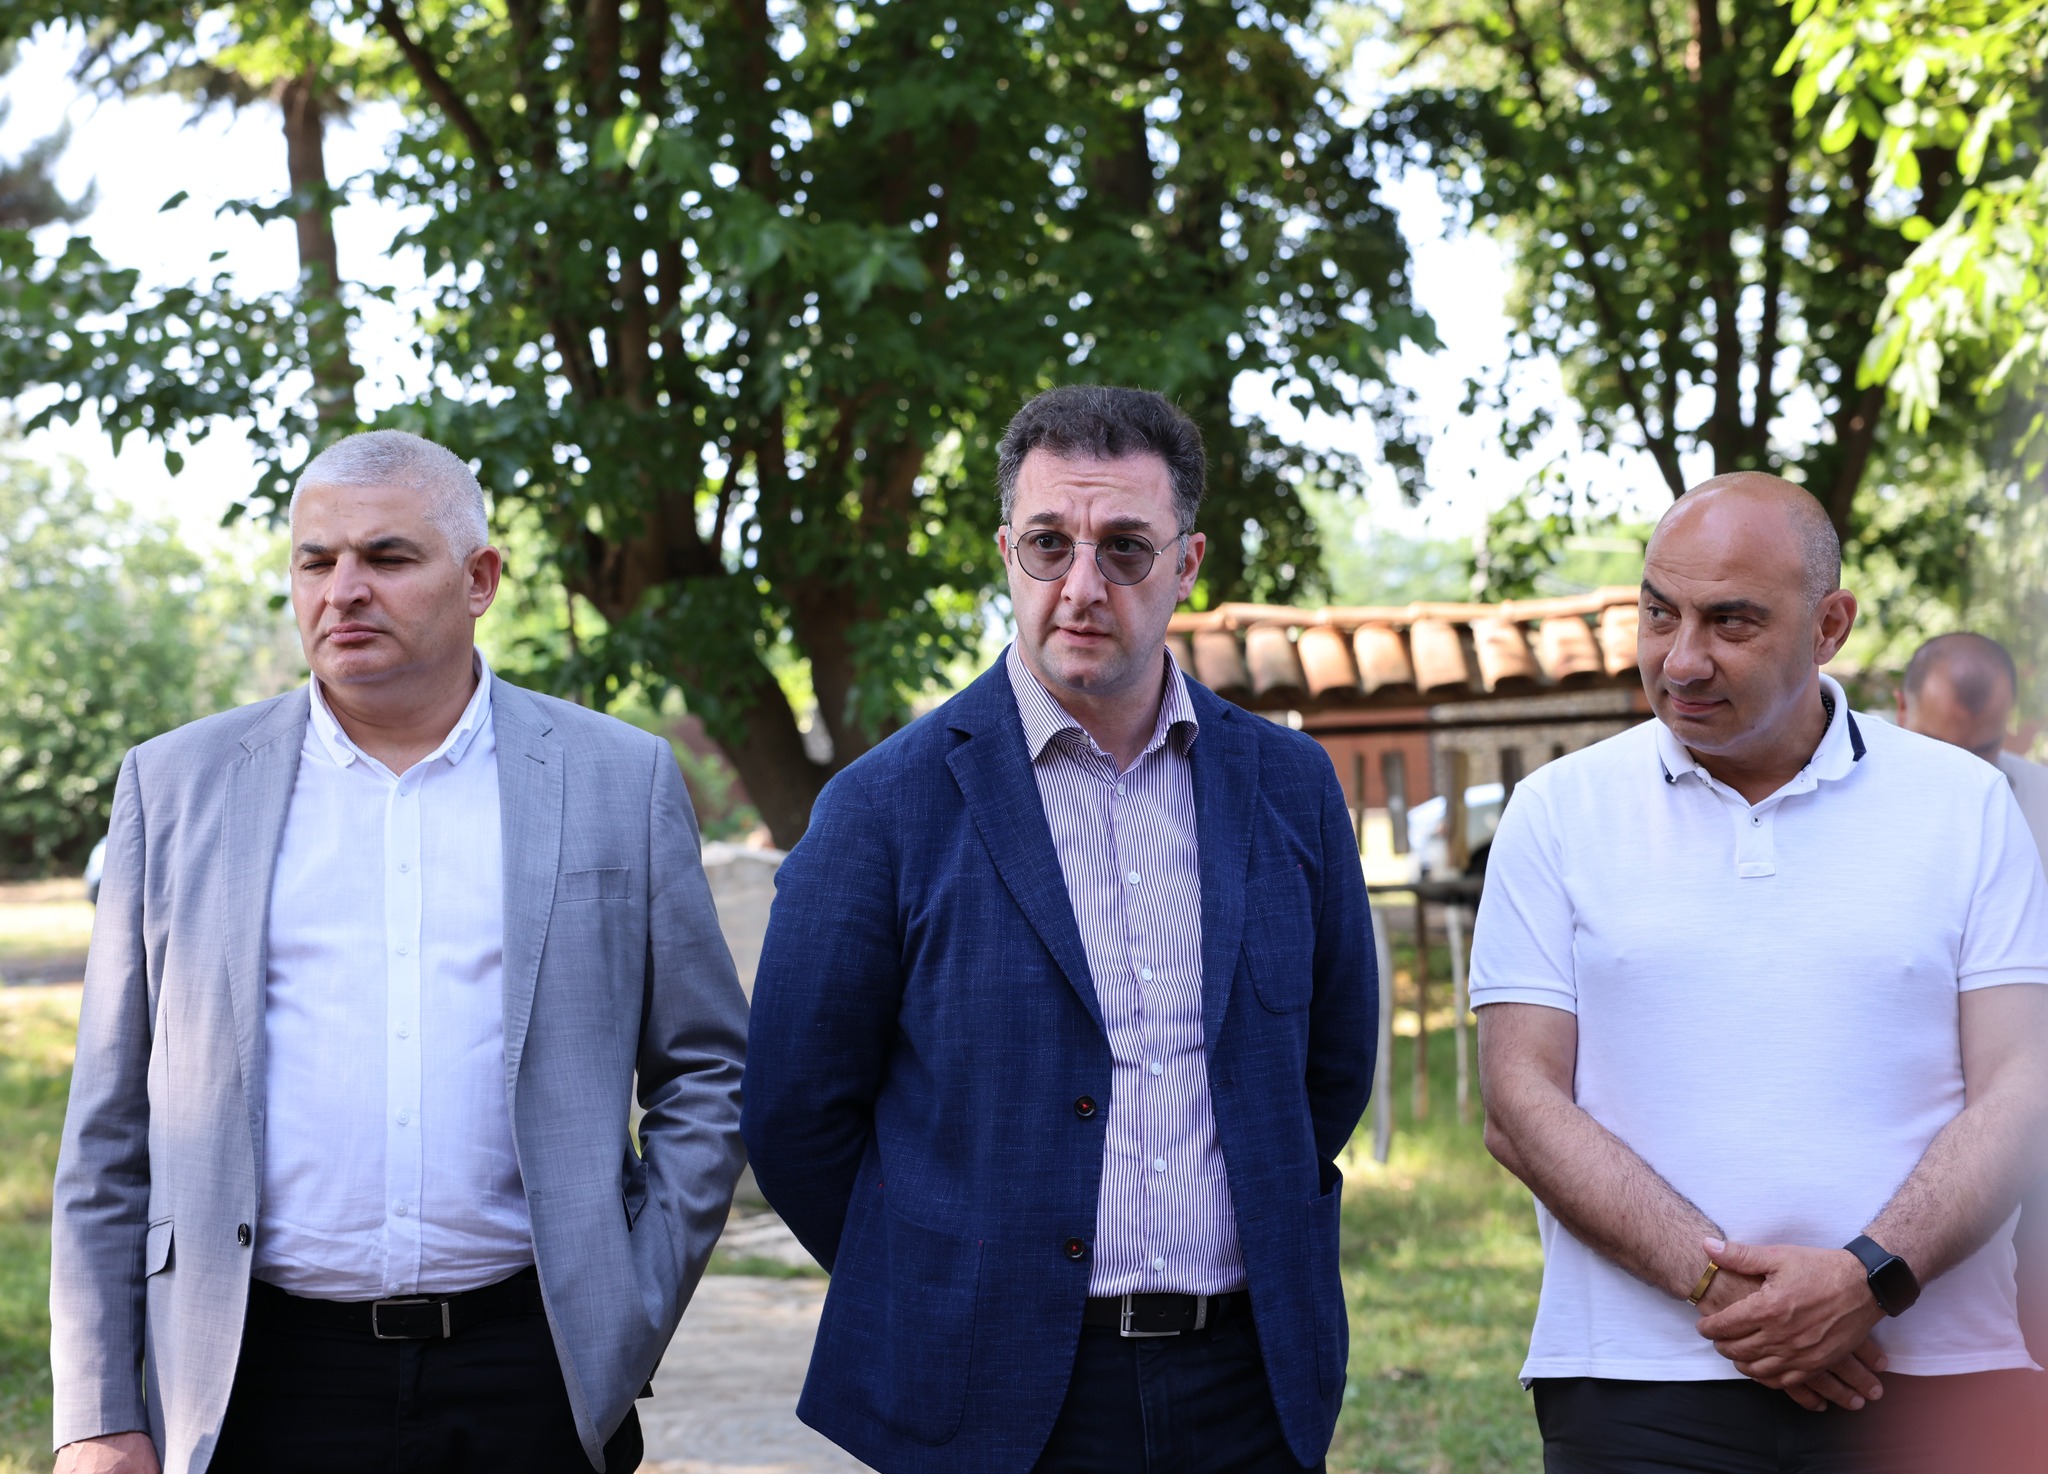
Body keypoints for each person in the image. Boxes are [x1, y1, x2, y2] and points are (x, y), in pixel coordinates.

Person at [49, 431, 750, 1474]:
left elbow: (708, 1068)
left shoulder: (618, 779)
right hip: (252, 1380)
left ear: (480, 579)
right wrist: (100, 1410)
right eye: (315, 560)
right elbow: (108, 1127)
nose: (343, 590)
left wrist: (632, 1293)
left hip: (533, 1373)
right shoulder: (176, 785)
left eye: (386, 556)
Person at [741, 386, 1376, 1474]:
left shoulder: (1289, 786)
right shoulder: (883, 808)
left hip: (1249, 1390)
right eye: (1048, 544)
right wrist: (940, 1284)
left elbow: (1330, 1070)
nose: (1081, 587)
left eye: (1125, 548)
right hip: (985, 1401)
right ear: (1007, 553)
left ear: (1186, 563)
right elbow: (796, 1115)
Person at [1471, 472, 2048, 1474]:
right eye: (1659, 612)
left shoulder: (1966, 805)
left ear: (1829, 626)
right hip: (1636, 1384)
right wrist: (1734, 1297)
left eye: (1730, 621)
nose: (1681, 658)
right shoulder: (1556, 811)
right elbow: (1519, 1101)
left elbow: (2023, 1082)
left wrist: (1869, 1279)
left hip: (1934, 1373)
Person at [1896, 631, 2048, 1368]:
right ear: (1900, 712)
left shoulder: (2040, 805)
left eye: (1984, 751)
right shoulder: (1846, 800)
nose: (1963, 775)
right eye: (1942, 749)